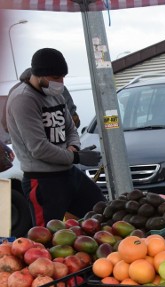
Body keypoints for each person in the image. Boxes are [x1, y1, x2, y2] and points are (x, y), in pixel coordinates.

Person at [4, 48, 102, 225]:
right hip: (42, 180)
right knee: (47, 237)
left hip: (69, 173)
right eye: (56, 78)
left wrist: (74, 147)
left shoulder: (56, 94)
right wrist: (75, 157)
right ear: (39, 75)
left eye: (63, 77)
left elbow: (71, 128)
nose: (60, 82)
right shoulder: (23, 99)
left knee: (101, 212)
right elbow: (38, 148)